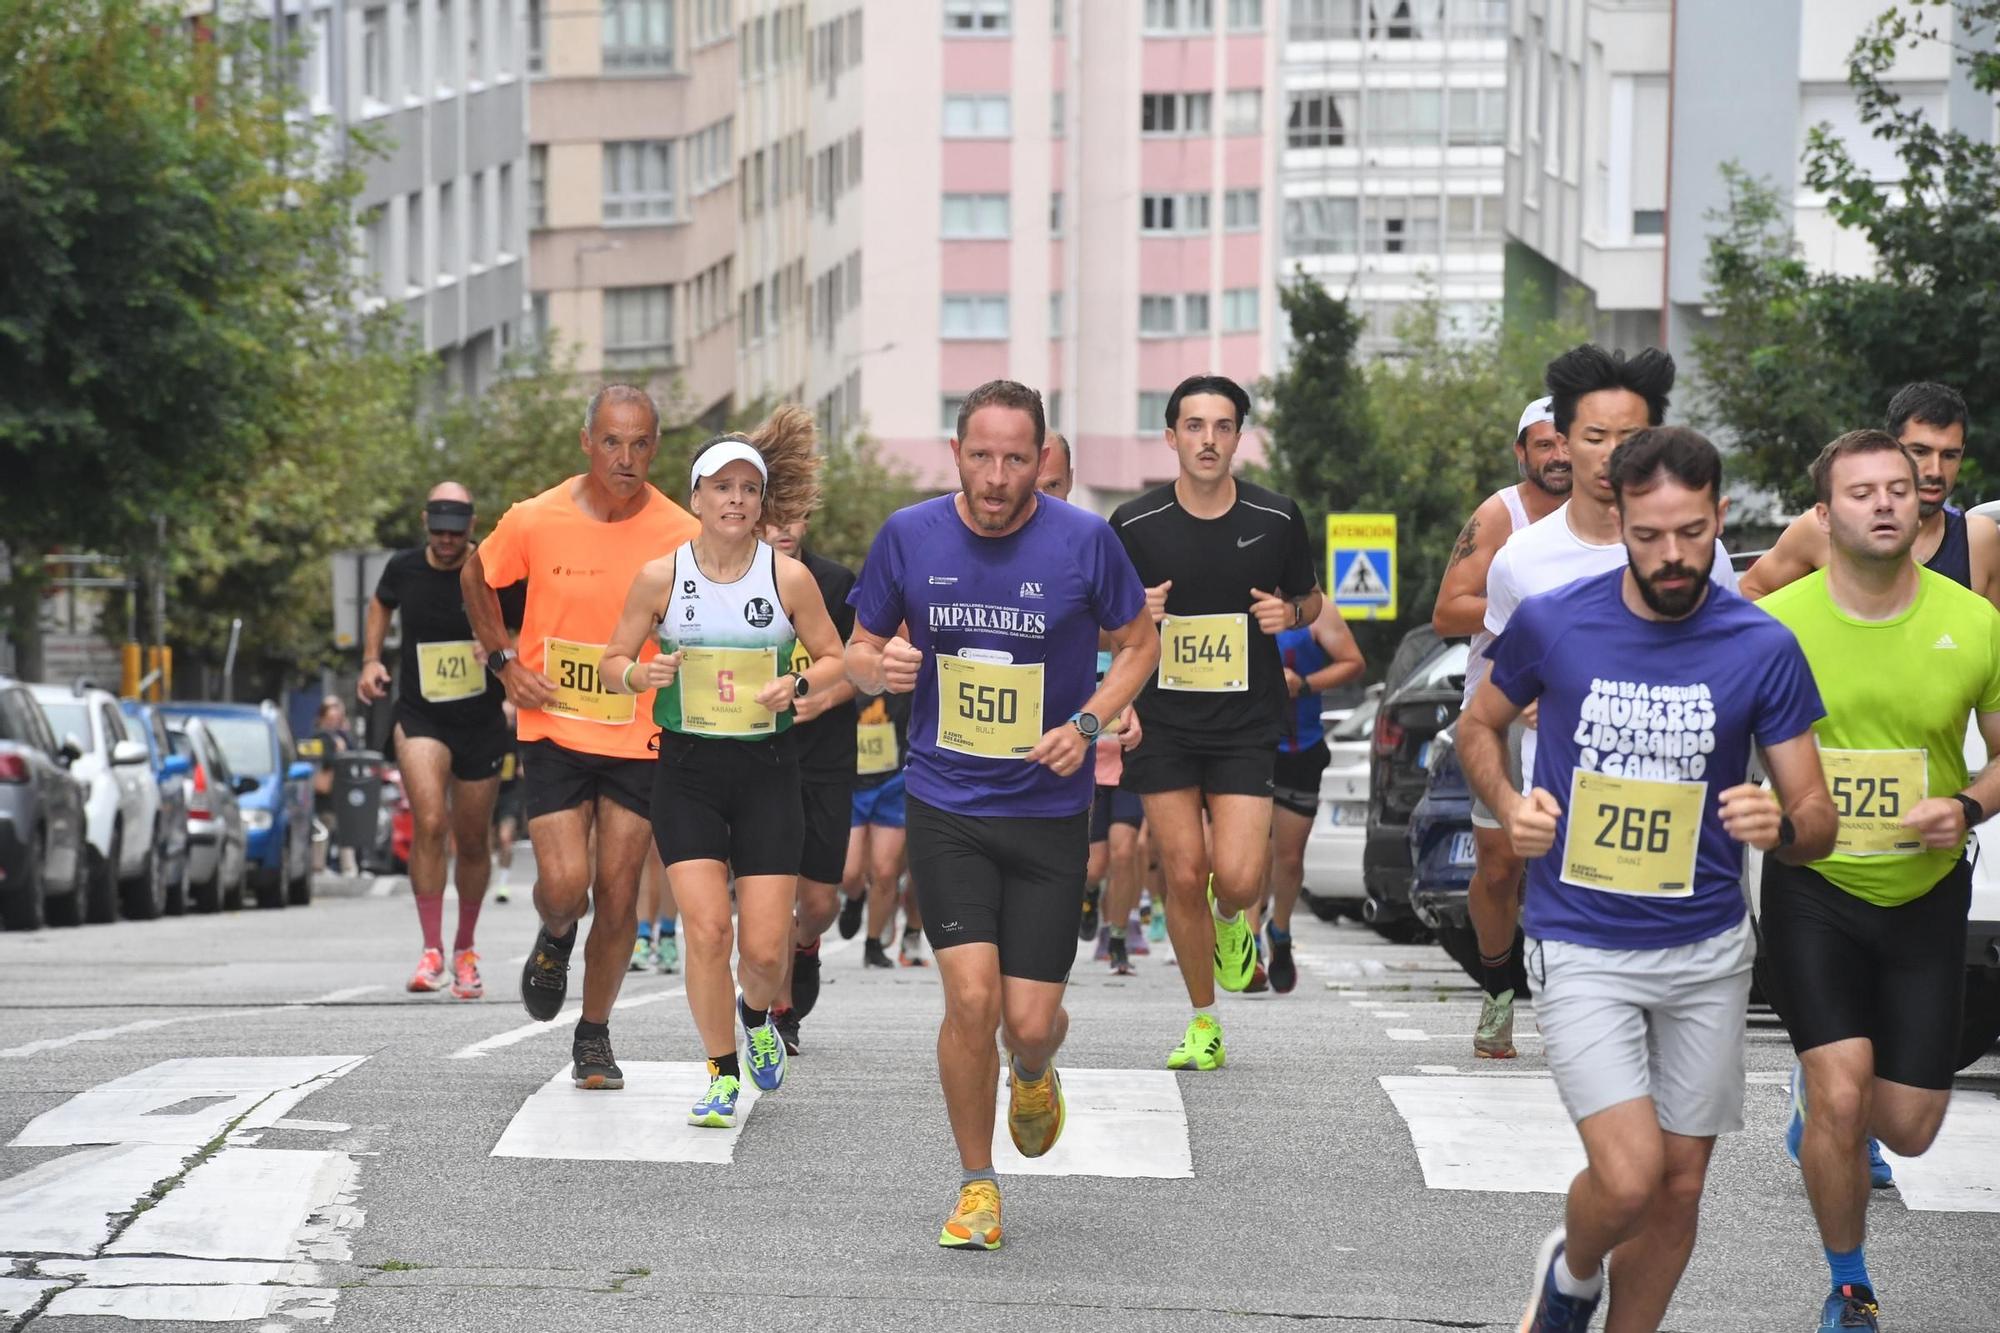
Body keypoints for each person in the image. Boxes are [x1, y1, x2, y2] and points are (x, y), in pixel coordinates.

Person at [1458, 426, 1837, 1333]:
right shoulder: (1557, 620)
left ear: (1721, 517)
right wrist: (1508, 802)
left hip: (1705, 949)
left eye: (1692, 533)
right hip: (1580, 938)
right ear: (1617, 517)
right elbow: (1477, 724)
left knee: (1679, 1187)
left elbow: (1817, 816)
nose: (1672, 555)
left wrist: (1781, 826)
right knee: (1629, 1176)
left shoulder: (1762, 644)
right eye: (1650, 534)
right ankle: (1572, 1270)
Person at [846, 379, 1156, 1251]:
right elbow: (857, 649)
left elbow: (1141, 643)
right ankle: (977, 1184)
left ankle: (1035, 1066)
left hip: (1050, 809)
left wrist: (1087, 723)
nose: (995, 476)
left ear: (1042, 458)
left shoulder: (1084, 541)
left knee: (1028, 1021)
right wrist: (880, 666)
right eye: (980, 456)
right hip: (946, 801)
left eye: (1015, 458)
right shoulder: (909, 535)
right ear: (955, 453)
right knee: (971, 998)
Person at [1755, 429, 2000, 1333]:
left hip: (1924, 890)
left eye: (1899, 487)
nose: (1887, 502)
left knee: (1908, 1126)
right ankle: (1850, 1286)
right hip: (1812, 881)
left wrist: (1966, 806)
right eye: (1862, 492)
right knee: (1843, 1086)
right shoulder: (1778, 624)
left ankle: (1828, 1111)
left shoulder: (1974, 620)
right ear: (1824, 515)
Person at [1477, 345, 1741, 1060]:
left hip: (1684, 811)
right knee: (1600, 1056)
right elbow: (1499, 685)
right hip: (1571, 810)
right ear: (1564, 442)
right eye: (1596, 436)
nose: (1615, 454)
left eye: (1634, 436)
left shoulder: (1702, 554)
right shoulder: (1522, 559)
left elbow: (1731, 663)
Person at [602, 408, 847, 1129]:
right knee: (708, 931)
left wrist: (798, 683)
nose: (735, 500)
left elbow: (837, 658)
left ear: (761, 502)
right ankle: (720, 1070)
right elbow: (613, 660)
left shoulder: (789, 579)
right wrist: (640, 676)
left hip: (769, 771)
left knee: (765, 951)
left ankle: (757, 1014)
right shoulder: (660, 577)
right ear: (697, 497)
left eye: (748, 489)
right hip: (688, 772)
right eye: (721, 487)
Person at [462, 383, 701, 1091]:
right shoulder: (536, 518)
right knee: (566, 887)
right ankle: (557, 931)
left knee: (619, 893)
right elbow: (476, 573)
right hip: (556, 727)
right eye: (611, 442)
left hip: (639, 732)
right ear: (587, 442)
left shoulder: (682, 533)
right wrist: (504, 662)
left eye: (639, 444)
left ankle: (593, 1032)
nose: (625, 458)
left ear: (655, 449)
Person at [1110, 374, 1322, 1072]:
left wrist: (1289, 615)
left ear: (1237, 437)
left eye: (1222, 426)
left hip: (1244, 723)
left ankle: (1232, 920)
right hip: (1163, 723)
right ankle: (1204, 1020)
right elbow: (1102, 627)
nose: (1208, 439)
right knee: (1182, 870)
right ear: (1170, 436)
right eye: (1194, 426)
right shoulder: (1133, 524)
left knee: (1237, 877)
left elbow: (1311, 599)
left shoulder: (1276, 517)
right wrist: (1134, 618)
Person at [1430, 397, 1570, 1054]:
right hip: (1501, 709)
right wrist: (1532, 623)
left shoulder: (1619, 514)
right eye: (1544, 444)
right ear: (1522, 453)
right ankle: (1498, 991)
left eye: (1568, 441)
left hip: (1587, 708)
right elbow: (1448, 610)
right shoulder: (1500, 515)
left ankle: (1577, 1001)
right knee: (1499, 866)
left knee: (1575, 858)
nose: (1559, 455)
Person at [358, 484, 521, 1000]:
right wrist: (371, 659)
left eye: (455, 533)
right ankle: (430, 951)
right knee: (430, 822)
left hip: (480, 721)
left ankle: (464, 950)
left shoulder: (493, 569)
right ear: (425, 523)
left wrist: (500, 651)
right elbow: (380, 604)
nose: (446, 542)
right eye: (438, 532)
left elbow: (525, 628)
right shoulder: (403, 568)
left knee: (472, 839)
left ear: (471, 526)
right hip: (421, 714)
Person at [1037, 437, 1148, 975]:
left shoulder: (1092, 545)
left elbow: (1138, 645)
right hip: (1065, 751)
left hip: (1115, 746)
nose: (1043, 495)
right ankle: (1083, 902)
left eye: (1054, 485)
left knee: (1126, 851)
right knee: (1093, 862)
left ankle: (1119, 935)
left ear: (1071, 481)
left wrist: (1133, 706)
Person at [1741, 382, 2000, 607]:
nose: (1935, 470)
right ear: (1891, 447)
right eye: (1920, 452)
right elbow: (1751, 592)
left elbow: (1992, 638)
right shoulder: (1824, 529)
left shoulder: (1978, 540)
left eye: (1949, 455)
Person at [761, 509, 859, 1056]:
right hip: (762, 757)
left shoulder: (837, 583)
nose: (783, 528)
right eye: (772, 517)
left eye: (793, 517)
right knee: (771, 891)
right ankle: (778, 1012)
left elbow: (863, 666)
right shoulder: (736, 582)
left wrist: (823, 699)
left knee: (819, 904)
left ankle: (806, 944)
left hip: (826, 759)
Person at [1266, 600, 1364, 993]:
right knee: (1249, 850)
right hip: (1244, 745)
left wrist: (1303, 684)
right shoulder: (1232, 594)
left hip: (1298, 748)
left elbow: (1353, 663)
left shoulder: (1316, 609)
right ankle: (1246, 937)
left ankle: (1280, 931)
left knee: (1288, 857)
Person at [845, 689, 912, 969]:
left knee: (885, 872)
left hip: (892, 782)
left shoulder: (902, 679)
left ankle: (873, 943)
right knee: (848, 873)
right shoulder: (844, 679)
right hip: (851, 784)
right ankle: (855, 897)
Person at [307, 696, 357, 875]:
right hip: (326, 792)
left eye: (338, 715)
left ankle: (348, 867)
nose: (335, 719)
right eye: (332, 715)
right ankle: (318, 866)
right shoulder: (320, 736)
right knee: (323, 827)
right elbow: (324, 759)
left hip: (340, 790)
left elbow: (353, 753)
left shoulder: (341, 735)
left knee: (343, 829)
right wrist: (338, 752)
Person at [490, 700, 522, 904]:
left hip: (510, 793)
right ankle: (490, 874)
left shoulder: (519, 736)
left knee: (505, 838)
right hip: (487, 792)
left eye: (512, 716)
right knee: (487, 842)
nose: (509, 719)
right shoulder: (490, 735)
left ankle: (503, 884)